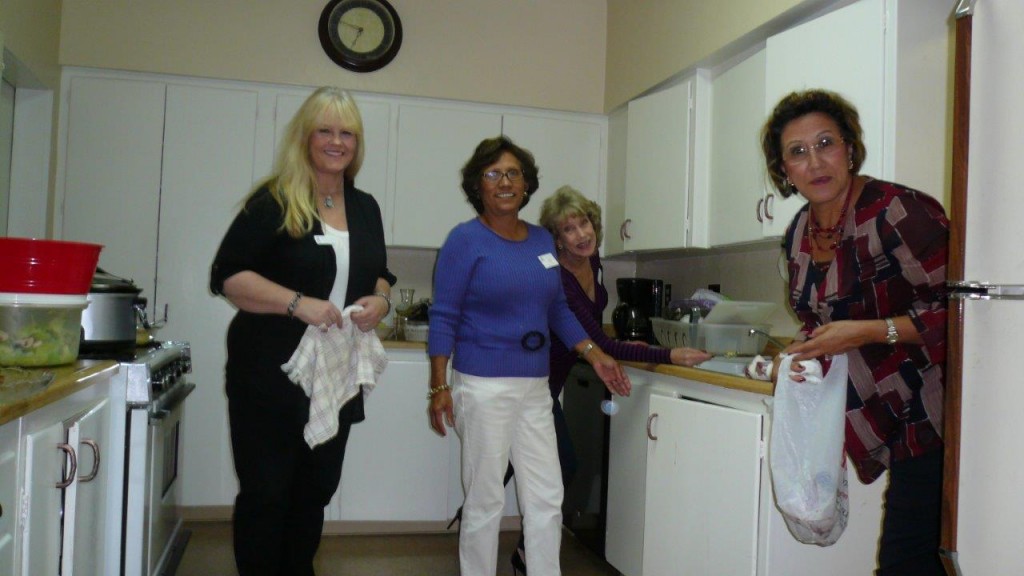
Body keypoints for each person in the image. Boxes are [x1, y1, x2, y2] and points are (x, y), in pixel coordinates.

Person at [760, 89, 948, 575]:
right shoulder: (799, 230)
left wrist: (869, 332)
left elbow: (962, 313)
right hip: (877, 403)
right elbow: (820, 320)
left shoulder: (898, 211)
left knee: (907, 560)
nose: (815, 161)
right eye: (798, 152)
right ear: (784, 170)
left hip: (935, 408)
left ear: (849, 147)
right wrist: (798, 352)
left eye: (826, 143)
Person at [209, 86, 395, 576]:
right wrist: (297, 304)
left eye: (347, 133)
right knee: (267, 493)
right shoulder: (274, 200)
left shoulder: (366, 207)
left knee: (315, 491)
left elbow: (380, 273)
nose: (337, 142)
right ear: (305, 137)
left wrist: (381, 300)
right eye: (325, 131)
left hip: (335, 374)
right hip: (269, 375)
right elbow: (228, 277)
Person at [477, 185, 710, 572]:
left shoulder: (593, 262)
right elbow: (598, 341)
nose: (581, 234)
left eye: (583, 223)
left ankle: (517, 548)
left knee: (519, 463)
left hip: (546, 384)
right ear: (557, 240)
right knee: (555, 465)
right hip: (523, 381)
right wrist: (669, 354)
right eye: (568, 230)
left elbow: (595, 332)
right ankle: (507, 546)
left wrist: (625, 347)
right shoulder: (559, 278)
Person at [427, 136, 631, 576]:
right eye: (493, 173)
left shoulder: (541, 240)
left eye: (513, 173)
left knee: (546, 496)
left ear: (526, 184)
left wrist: (595, 354)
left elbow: (557, 308)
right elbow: (444, 315)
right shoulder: (464, 240)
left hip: (536, 388)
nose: (505, 182)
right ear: (478, 184)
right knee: (485, 499)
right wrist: (439, 384)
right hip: (483, 386)